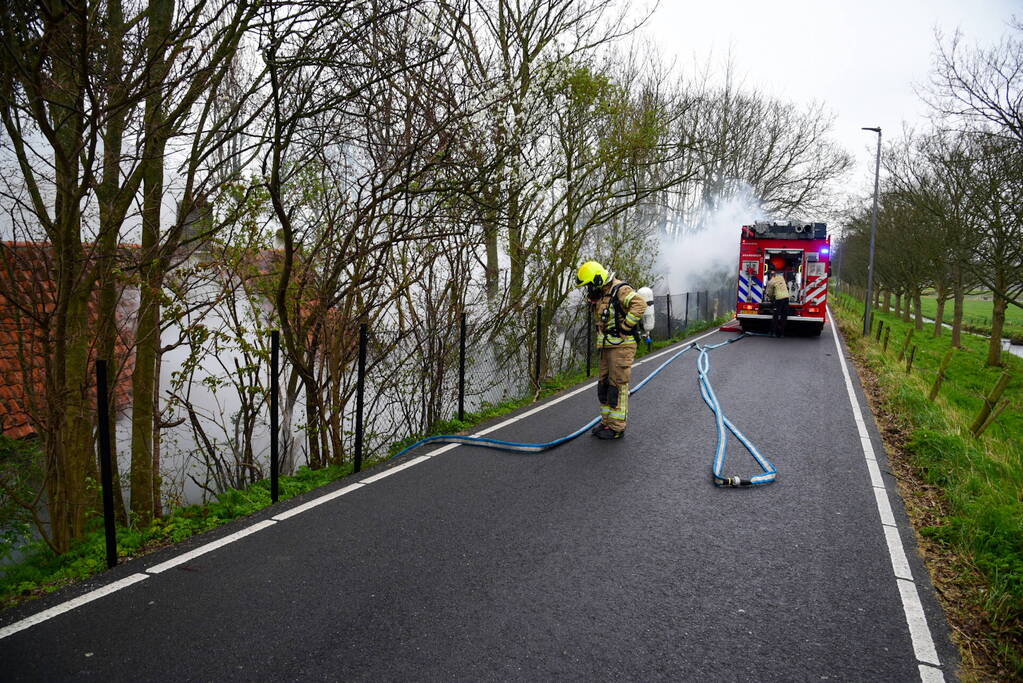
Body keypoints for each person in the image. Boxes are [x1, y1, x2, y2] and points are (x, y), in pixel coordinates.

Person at [575, 261, 647, 439]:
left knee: (618, 385)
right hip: (608, 347)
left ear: (598, 279)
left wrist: (625, 327)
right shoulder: (602, 293)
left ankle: (617, 428)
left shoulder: (620, 290)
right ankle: (606, 423)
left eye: (590, 284)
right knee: (604, 385)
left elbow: (640, 305)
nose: (589, 289)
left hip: (622, 347)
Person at [766, 267, 790, 337]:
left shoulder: (771, 282)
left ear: (769, 275)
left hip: (779, 299)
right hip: (786, 298)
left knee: (775, 316)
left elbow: (770, 293)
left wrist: (771, 298)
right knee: (783, 316)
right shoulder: (781, 277)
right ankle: (782, 333)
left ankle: (773, 333)